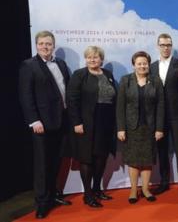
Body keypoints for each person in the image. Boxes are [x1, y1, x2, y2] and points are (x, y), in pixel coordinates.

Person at [19, 30, 71, 219]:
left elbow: (67, 90)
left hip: (62, 121)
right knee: (42, 165)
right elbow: (26, 96)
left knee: (56, 162)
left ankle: (53, 196)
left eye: (48, 43)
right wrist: (34, 120)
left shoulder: (62, 64)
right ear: (36, 45)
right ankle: (42, 203)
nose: (45, 47)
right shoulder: (29, 66)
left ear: (53, 45)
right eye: (41, 43)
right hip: (42, 124)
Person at [66, 46, 117, 208]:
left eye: (95, 57)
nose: (92, 60)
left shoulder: (107, 74)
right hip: (86, 123)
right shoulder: (79, 75)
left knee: (101, 157)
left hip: (106, 123)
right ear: (85, 59)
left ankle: (97, 189)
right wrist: (76, 122)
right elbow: (72, 100)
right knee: (87, 158)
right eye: (89, 57)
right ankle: (87, 195)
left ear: (101, 59)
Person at [117, 51, 164, 204]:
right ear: (134, 65)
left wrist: (159, 128)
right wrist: (121, 128)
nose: (142, 66)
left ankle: (145, 189)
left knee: (147, 160)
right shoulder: (125, 81)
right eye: (139, 63)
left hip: (150, 128)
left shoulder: (156, 81)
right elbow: (120, 107)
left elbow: (161, 106)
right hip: (131, 128)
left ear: (148, 64)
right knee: (134, 161)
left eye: (145, 63)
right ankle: (133, 190)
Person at [150, 33, 178, 198]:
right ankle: (164, 182)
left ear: (171, 46)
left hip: (176, 115)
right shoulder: (151, 66)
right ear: (158, 46)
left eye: (168, 45)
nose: (166, 48)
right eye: (163, 45)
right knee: (162, 151)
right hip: (158, 116)